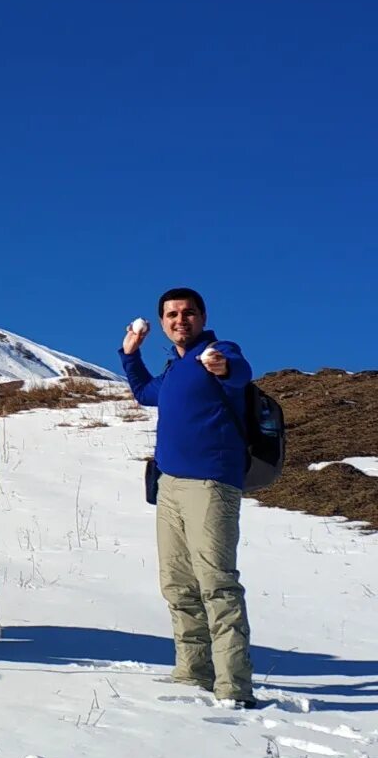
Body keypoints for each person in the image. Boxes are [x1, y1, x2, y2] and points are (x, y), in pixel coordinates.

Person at [120, 287, 256, 707]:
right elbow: (146, 394)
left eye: (188, 313)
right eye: (172, 314)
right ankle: (193, 673)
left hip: (211, 484)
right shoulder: (175, 369)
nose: (181, 320)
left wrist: (221, 365)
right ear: (162, 322)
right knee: (178, 585)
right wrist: (129, 354)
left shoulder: (216, 352)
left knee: (217, 584)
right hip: (170, 486)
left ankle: (234, 687)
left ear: (202, 316)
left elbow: (239, 371)